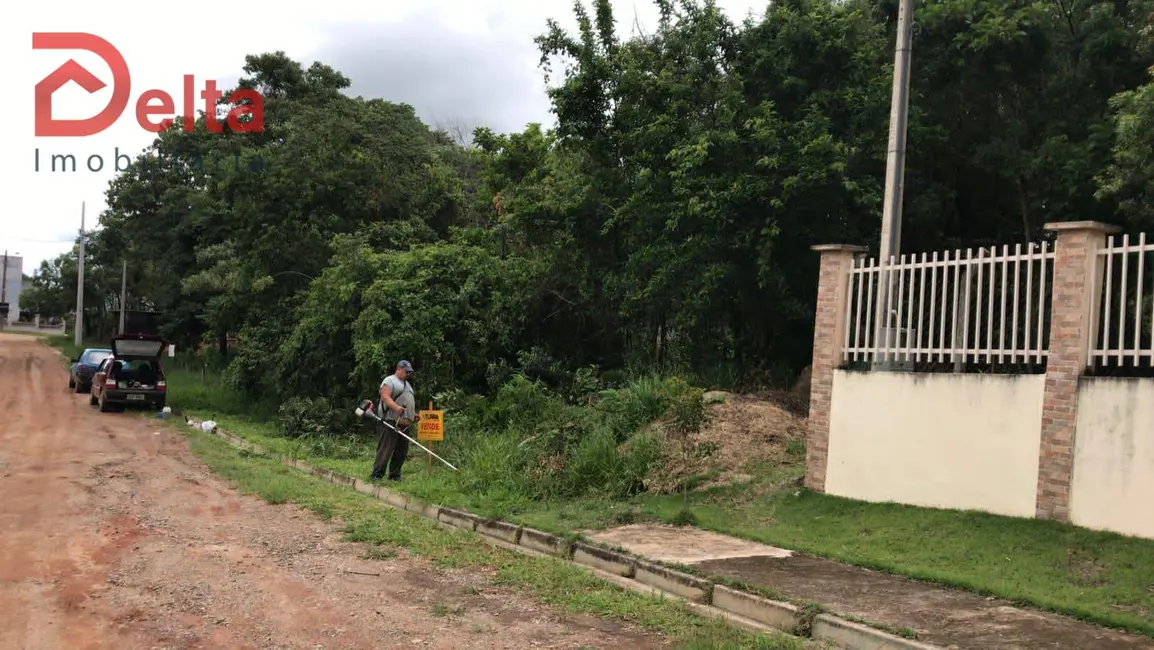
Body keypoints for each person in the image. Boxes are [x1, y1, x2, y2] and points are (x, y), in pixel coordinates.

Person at [370, 360, 416, 482]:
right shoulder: (389, 381)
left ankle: (395, 475)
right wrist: (396, 408)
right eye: (406, 372)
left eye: (409, 372)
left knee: (402, 450)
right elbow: (385, 397)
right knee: (386, 449)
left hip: (404, 422)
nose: (408, 374)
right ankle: (377, 475)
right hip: (390, 420)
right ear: (398, 369)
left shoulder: (407, 384)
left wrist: (412, 414)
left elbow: (407, 402)